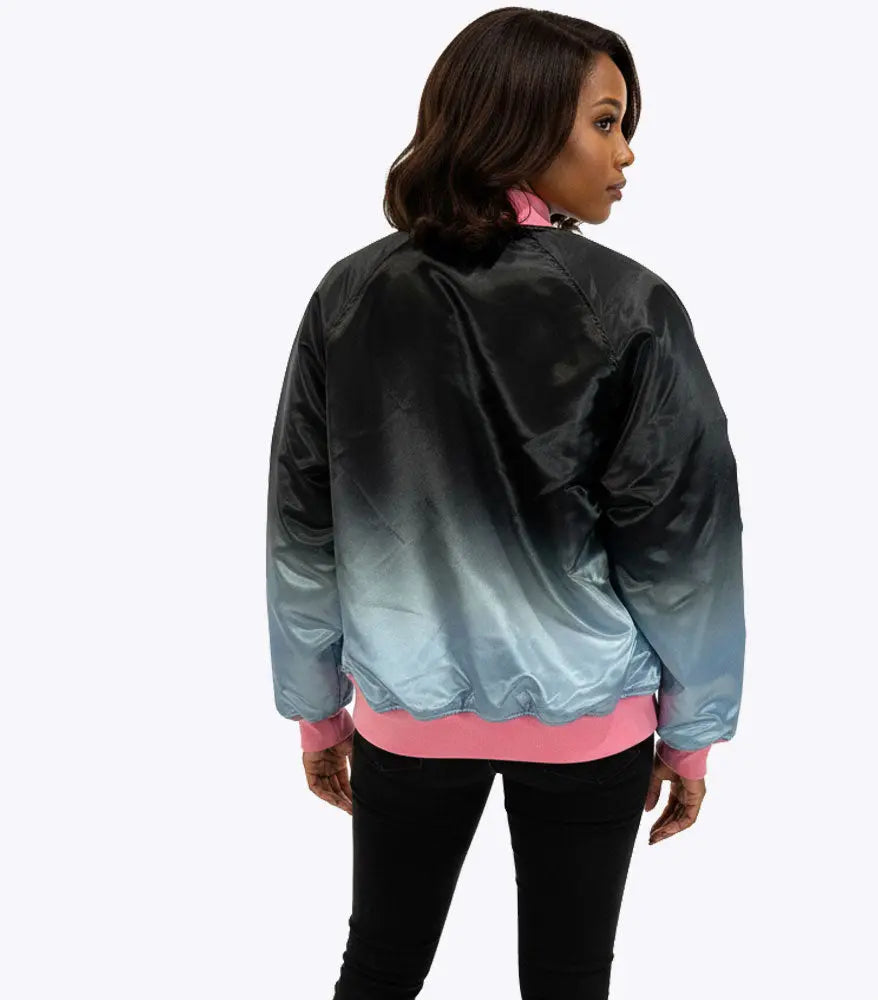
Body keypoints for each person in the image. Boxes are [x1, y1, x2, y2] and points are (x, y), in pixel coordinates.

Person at [264, 8, 746, 999]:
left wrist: (316, 711)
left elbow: (302, 527)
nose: (627, 152)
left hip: (407, 707)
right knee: (569, 979)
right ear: (519, 122)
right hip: (589, 715)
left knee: (380, 965)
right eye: (605, 122)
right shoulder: (629, 305)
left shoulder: (350, 294)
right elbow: (684, 543)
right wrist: (692, 730)